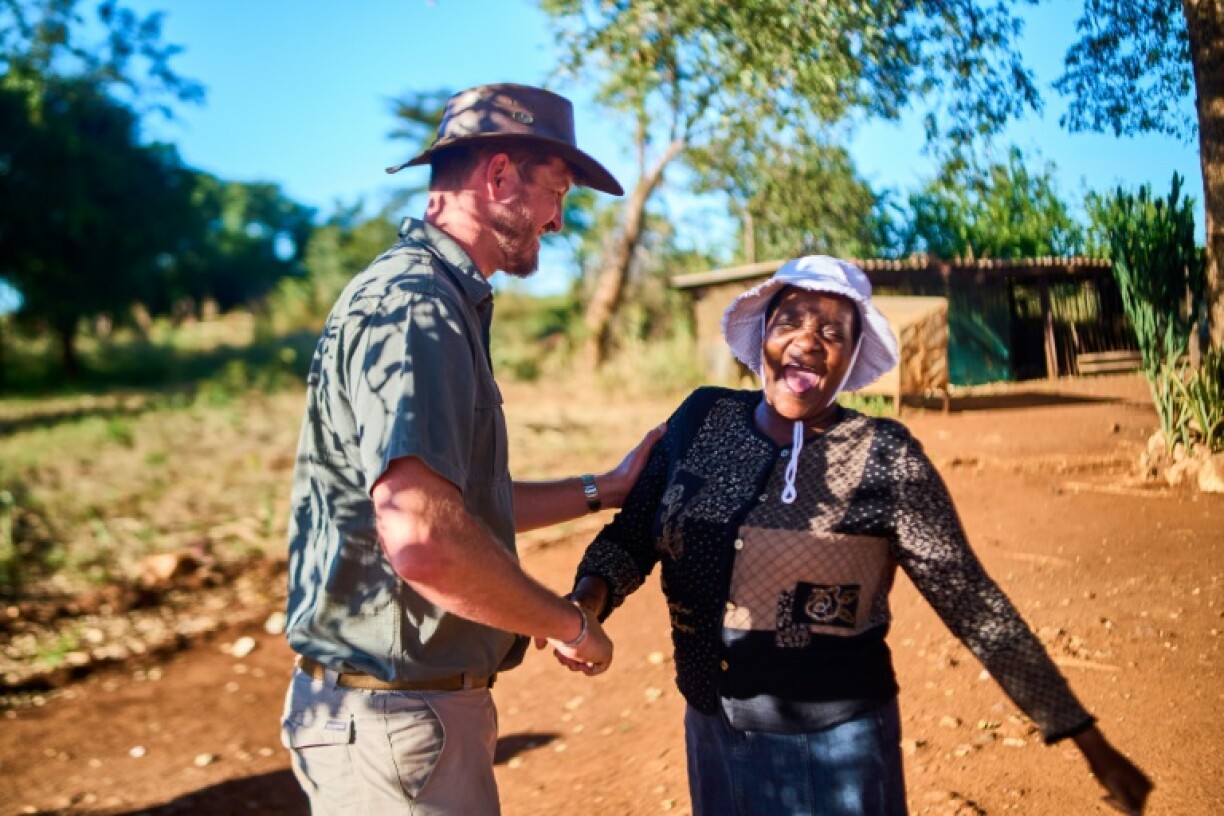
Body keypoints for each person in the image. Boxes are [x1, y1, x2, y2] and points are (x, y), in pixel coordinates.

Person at [565, 255, 1153, 815]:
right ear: (763, 336)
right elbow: (632, 536)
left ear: (850, 359)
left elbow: (970, 601)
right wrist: (586, 604)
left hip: (833, 747)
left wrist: (1085, 738)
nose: (807, 341)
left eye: (832, 332)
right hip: (711, 730)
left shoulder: (884, 456)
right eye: (789, 322)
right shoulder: (702, 418)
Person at [280, 82, 662, 816]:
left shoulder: (427, 296)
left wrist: (604, 489)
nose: (558, 220)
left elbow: (456, 507)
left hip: (395, 714)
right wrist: (570, 624)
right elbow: (425, 540)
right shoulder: (417, 307)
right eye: (557, 194)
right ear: (499, 176)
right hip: (394, 717)